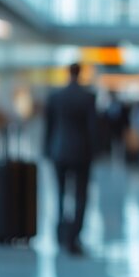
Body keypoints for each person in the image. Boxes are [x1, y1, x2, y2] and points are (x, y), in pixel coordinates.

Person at [44, 63, 96, 256]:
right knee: (80, 195)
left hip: (59, 150)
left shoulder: (56, 96)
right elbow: (92, 128)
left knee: (60, 193)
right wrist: (94, 152)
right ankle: (74, 235)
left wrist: (48, 150)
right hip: (81, 152)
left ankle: (60, 233)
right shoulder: (88, 97)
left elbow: (49, 126)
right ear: (80, 73)